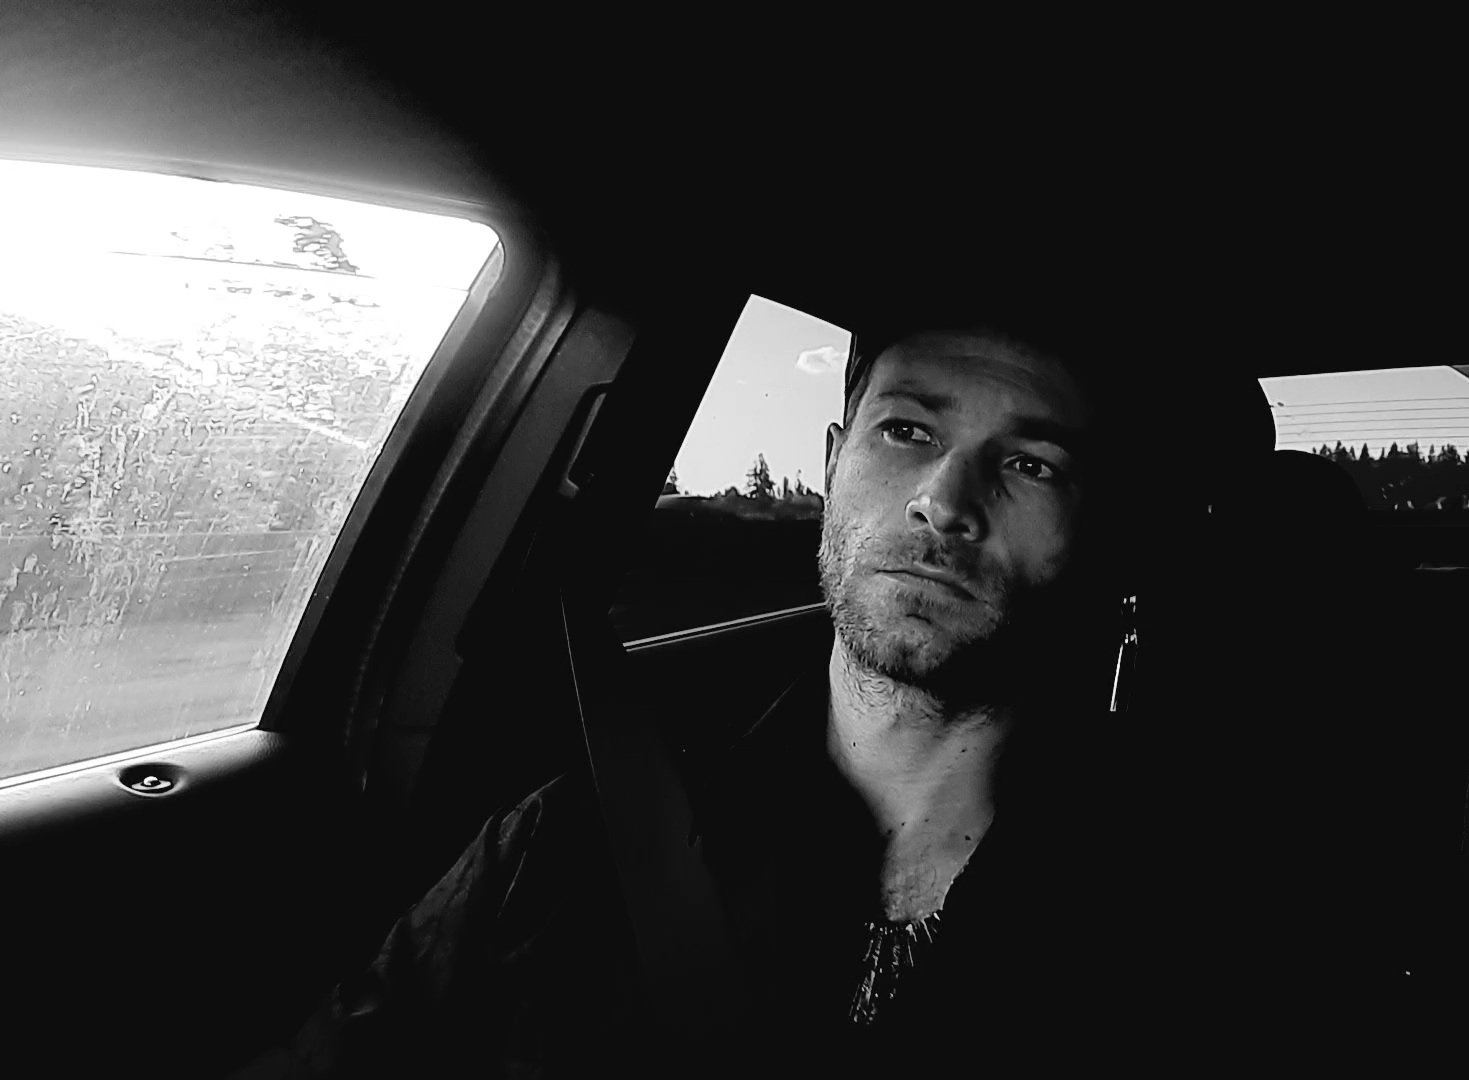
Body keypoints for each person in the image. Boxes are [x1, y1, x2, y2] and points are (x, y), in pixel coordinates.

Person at [230, 305, 1189, 1077]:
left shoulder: (1187, 911)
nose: (943, 500)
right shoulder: (569, 848)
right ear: (832, 461)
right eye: (906, 430)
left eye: (1029, 464)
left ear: (1098, 530)